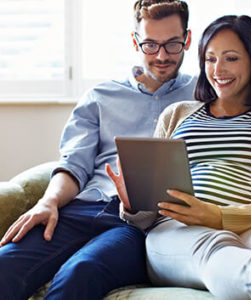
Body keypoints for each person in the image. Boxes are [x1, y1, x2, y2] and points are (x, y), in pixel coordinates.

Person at [107, 15, 251, 300]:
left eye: (230, 58)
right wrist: (133, 205)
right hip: (179, 230)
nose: (218, 70)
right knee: (214, 245)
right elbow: (150, 213)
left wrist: (221, 216)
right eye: (210, 59)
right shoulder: (177, 114)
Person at [0, 1, 195, 299]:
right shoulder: (101, 96)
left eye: (173, 44)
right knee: (5, 265)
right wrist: (48, 202)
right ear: (134, 41)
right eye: (150, 45)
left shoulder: (204, 96)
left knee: (81, 271)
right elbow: (73, 165)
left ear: (188, 39)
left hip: (138, 224)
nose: (162, 55)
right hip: (83, 208)